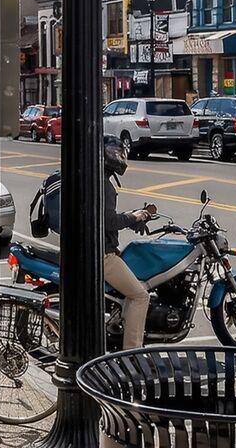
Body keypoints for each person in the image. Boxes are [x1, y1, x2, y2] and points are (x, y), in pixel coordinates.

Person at [102, 134, 154, 349]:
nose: (121, 158)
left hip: (91, 250)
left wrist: (130, 217)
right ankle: (132, 353)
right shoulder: (104, 185)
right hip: (103, 254)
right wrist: (133, 217)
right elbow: (108, 220)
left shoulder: (94, 179)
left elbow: (104, 216)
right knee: (140, 296)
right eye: (118, 154)